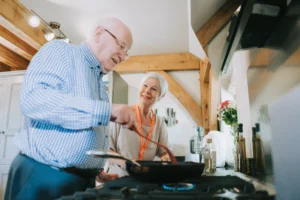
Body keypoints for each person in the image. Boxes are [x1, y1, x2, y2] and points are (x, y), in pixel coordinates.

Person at [5, 17, 137, 200]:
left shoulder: (100, 84)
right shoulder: (61, 51)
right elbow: (33, 99)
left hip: (81, 181)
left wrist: (96, 171)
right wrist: (108, 110)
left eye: (127, 52)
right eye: (122, 46)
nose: (123, 56)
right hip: (44, 177)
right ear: (99, 33)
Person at [107, 72, 170, 177]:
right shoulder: (122, 114)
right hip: (117, 177)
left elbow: (163, 152)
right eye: (145, 86)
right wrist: (127, 164)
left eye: (154, 89)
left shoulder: (160, 122)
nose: (147, 91)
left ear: (161, 96)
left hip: (144, 178)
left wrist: (166, 158)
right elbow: (108, 150)